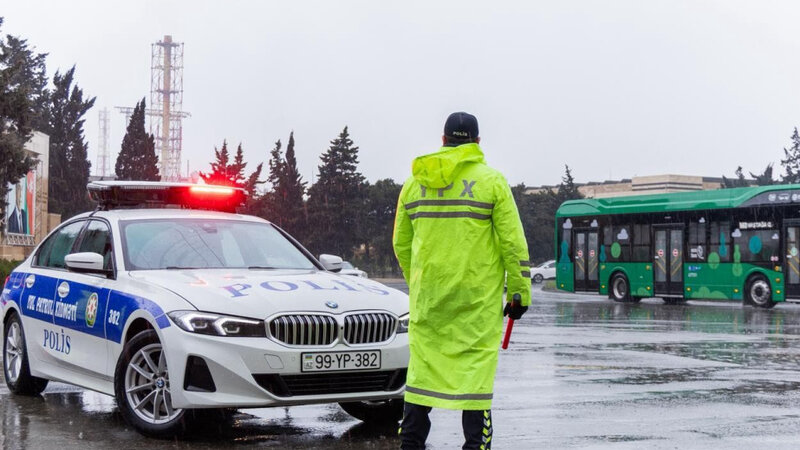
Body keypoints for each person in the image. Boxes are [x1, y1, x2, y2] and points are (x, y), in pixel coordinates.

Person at [392, 111, 531, 449]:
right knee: (475, 391)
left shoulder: (414, 184)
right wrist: (518, 294)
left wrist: (421, 283)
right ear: (477, 142)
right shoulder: (492, 182)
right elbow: (513, 245)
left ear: (443, 140)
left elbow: (401, 243)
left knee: (420, 384)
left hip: (430, 304)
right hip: (476, 306)